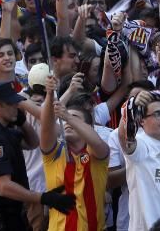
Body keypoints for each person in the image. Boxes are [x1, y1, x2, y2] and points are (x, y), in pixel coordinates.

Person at [0, 81, 75, 231]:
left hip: (12, 213)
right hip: (2, 218)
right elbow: (4, 187)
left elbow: (33, 143)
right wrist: (43, 198)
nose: (17, 106)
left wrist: (23, 122)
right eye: (11, 103)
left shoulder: (2, 128)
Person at [39, 73, 110, 231]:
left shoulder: (96, 154)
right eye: (64, 119)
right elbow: (45, 125)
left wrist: (67, 116)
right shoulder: (53, 153)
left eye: (76, 118)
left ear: (88, 127)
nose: (67, 122)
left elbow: (98, 143)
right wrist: (51, 94)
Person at [118, 91, 160, 230]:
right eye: (158, 114)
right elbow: (124, 138)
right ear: (142, 120)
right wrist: (132, 104)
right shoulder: (140, 144)